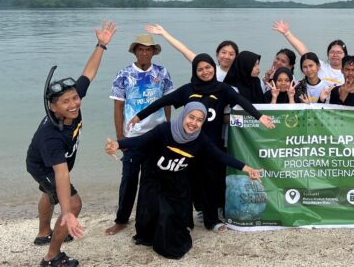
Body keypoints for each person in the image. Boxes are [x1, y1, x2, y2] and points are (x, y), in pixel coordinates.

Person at [129, 54, 274, 233]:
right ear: (195, 71)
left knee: (210, 184)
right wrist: (139, 116)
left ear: (214, 67)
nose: (205, 71)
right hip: (187, 145)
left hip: (211, 146)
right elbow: (162, 101)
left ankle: (211, 220)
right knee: (186, 184)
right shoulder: (187, 90)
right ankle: (185, 221)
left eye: (208, 67)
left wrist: (260, 117)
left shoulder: (223, 89)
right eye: (200, 69)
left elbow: (242, 102)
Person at [105, 102, 263, 259]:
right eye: (191, 117)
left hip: (177, 179)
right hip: (154, 177)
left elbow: (220, 156)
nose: (194, 123)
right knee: (149, 218)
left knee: (171, 226)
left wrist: (247, 169)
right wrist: (118, 144)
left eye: (199, 120)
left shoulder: (200, 139)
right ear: (183, 115)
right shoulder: (165, 129)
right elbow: (141, 141)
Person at [25, 21, 116, 267]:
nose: (74, 104)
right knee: (73, 203)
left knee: (50, 193)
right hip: (43, 166)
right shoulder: (52, 136)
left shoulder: (72, 106)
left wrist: (101, 45)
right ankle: (52, 257)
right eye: (66, 102)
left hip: (45, 163)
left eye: (75, 97)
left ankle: (44, 234)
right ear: (53, 107)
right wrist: (67, 211)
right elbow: (61, 174)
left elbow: (89, 72)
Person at [105, 34, 175, 236]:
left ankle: (156, 216)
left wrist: (168, 127)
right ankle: (122, 219)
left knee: (156, 179)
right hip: (133, 136)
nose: (144, 53)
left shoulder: (162, 72)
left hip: (158, 135)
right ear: (135, 51)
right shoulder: (124, 74)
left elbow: (167, 101)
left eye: (149, 49)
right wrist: (121, 139)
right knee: (129, 178)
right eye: (141, 49)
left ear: (154, 52)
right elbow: (118, 107)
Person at [272, 20, 354, 88]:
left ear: (345, 55)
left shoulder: (351, 72)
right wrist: (287, 33)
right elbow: (303, 51)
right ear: (328, 55)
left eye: (339, 53)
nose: (335, 55)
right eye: (332, 52)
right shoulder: (320, 66)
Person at [144, 24, 238, 81]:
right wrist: (164, 33)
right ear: (217, 55)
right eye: (224, 52)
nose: (226, 56)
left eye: (231, 54)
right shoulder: (209, 70)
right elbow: (184, 50)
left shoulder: (241, 74)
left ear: (236, 57)